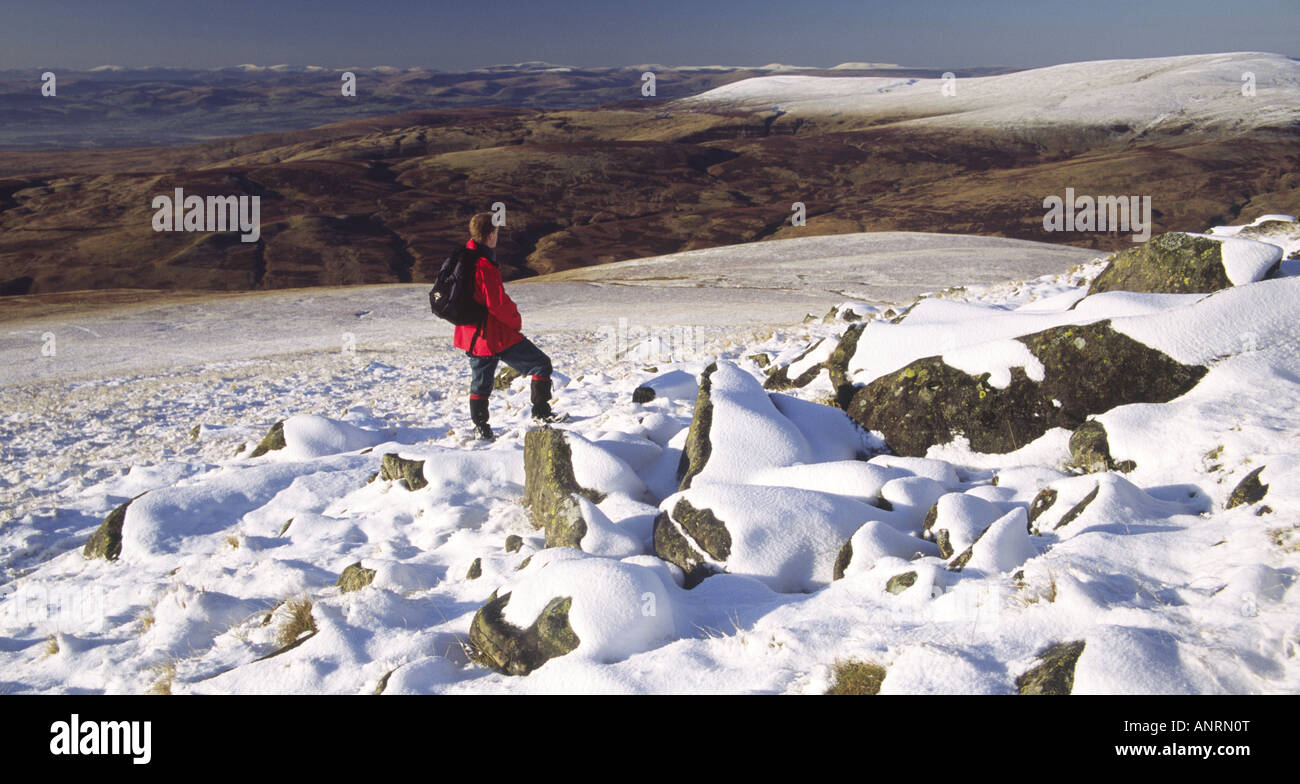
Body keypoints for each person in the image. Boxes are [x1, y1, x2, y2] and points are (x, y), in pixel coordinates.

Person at [454, 212, 560, 440]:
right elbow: (497, 304)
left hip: (471, 335)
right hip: (494, 334)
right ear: (491, 235)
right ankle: (541, 414)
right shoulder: (483, 265)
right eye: (497, 231)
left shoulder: (463, 258)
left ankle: (481, 427)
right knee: (541, 364)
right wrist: (515, 321)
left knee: (481, 382)